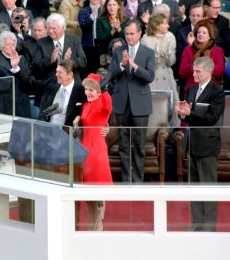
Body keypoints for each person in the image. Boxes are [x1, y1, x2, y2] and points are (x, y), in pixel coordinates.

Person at [175, 56, 226, 232]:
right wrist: (182, 113)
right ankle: (196, 224)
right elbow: (187, 114)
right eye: (194, 70)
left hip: (207, 145)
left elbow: (212, 118)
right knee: (194, 188)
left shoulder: (217, 91)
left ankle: (209, 227)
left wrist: (189, 114)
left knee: (208, 188)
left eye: (197, 71)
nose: (193, 74)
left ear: (208, 72)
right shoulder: (191, 89)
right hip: (192, 143)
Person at [107, 19, 155, 183]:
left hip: (140, 106)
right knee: (124, 146)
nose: (128, 37)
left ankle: (138, 181)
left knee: (139, 146)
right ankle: (126, 181)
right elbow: (111, 74)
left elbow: (149, 77)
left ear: (140, 34)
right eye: (126, 34)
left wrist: (134, 65)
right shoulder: (119, 51)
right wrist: (122, 64)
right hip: (122, 104)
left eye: (132, 34)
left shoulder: (148, 52)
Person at [73, 73, 112, 230]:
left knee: (99, 194)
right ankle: (92, 230)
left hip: (97, 153)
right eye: (86, 89)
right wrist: (77, 119)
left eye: (91, 90)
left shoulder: (102, 104)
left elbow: (108, 104)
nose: (87, 93)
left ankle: (98, 230)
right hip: (84, 151)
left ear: (98, 91)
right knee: (88, 196)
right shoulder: (85, 105)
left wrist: (104, 91)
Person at [141, 13, 179, 126]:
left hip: (166, 77)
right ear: (157, 25)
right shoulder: (146, 38)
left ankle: (171, 133)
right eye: (165, 23)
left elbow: (171, 62)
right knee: (153, 107)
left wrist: (168, 55)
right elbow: (144, 62)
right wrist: (155, 57)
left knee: (170, 108)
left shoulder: (170, 37)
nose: (168, 26)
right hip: (152, 77)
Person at [0, 31, 32, 118]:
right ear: (1, 47)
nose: (12, 48)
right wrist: (13, 75)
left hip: (21, 104)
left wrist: (16, 68)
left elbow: (28, 81)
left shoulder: (21, 59)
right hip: (3, 105)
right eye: (8, 45)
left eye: (13, 44)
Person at [33, 13, 87, 80]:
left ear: (63, 28)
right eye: (49, 28)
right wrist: (50, 60)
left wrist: (70, 61)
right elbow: (36, 65)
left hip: (70, 81)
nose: (50, 31)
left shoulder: (75, 41)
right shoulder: (41, 43)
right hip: (50, 83)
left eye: (53, 28)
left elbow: (83, 62)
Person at [178, 19, 224, 96]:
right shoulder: (188, 49)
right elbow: (182, 71)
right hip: (192, 89)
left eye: (204, 33)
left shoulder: (217, 51)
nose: (200, 34)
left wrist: (204, 66)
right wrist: (196, 62)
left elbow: (219, 72)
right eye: (199, 32)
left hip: (211, 90)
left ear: (210, 36)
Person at [78, 0, 103, 76]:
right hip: (88, 45)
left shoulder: (104, 10)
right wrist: (92, 16)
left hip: (102, 45)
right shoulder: (83, 10)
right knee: (88, 71)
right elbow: (82, 25)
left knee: (101, 71)